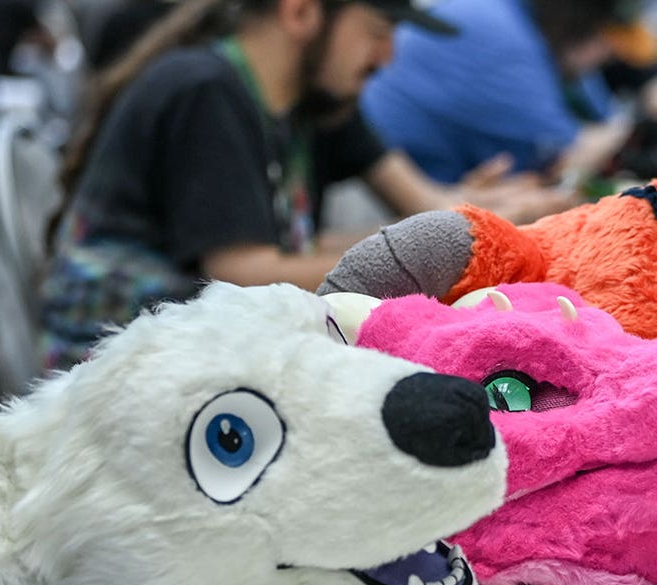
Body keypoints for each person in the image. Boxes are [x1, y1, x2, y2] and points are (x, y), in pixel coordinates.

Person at [41, 0, 575, 370]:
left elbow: (291, 253)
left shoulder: (289, 105)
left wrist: (469, 230)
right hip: (108, 370)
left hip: (182, 352)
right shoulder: (206, 92)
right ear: (300, 11)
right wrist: (447, 243)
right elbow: (244, 273)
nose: (388, 55)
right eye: (377, 30)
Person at [359, 0, 646, 185]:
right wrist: (635, 124)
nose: (607, 58)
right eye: (607, 45)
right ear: (582, 25)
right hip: (368, 190)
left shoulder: (511, 17)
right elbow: (568, 161)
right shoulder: (508, 45)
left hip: (408, 183)